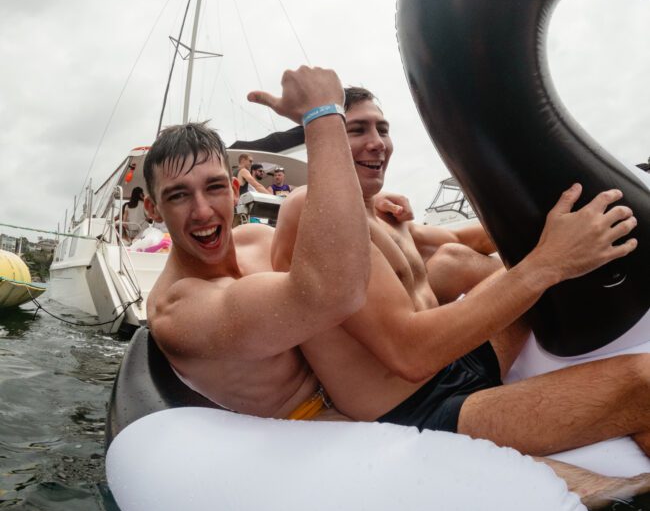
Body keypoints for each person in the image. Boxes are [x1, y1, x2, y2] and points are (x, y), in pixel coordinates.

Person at [272, 86, 650, 472]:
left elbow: (466, 239)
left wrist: (553, 218)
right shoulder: (311, 209)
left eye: (382, 129)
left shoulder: (383, 216)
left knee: (496, 265)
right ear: (326, 141)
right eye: (357, 131)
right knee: (644, 381)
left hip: (456, 364)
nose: (376, 143)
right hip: (418, 410)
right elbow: (409, 354)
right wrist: (549, 262)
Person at [143, 66, 370, 421]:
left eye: (215, 187)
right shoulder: (177, 310)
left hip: (365, 394)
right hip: (316, 429)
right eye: (178, 196)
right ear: (153, 209)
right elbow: (336, 292)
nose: (202, 212)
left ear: (235, 191)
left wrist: (376, 210)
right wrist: (323, 115)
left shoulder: (257, 239)